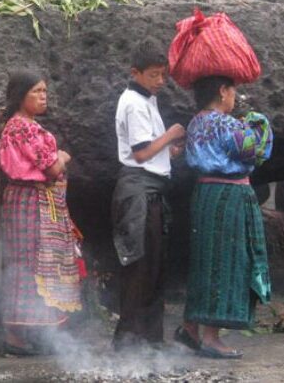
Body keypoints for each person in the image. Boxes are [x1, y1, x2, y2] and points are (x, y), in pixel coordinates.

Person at [178, 75, 273, 359]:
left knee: (206, 260)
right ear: (222, 91)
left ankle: (191, 328)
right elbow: (256, 150)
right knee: (228, 262)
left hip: (205, 195)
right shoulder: (225, 124)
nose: (235, 98)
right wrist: (258, 122)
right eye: (234, 91)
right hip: (229, 197)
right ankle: (211, 336)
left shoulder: (195, 122)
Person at [0, 70, 81, 355]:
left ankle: (26, 333)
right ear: (21, 95)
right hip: (30, 201)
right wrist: (64, 156)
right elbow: (52, 168)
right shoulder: (23, 127)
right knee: (29, 263)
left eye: (45, 91)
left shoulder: (23, 125)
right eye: (37, 91)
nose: (43, 96)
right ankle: (15, 336)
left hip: (30, 200)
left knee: (29, 263)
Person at [110, 40, 186, 351]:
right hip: (138, 189)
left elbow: (150, 150)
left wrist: (169, 151)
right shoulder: (132, 102)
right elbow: (141, 153)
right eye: (153, 75)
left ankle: (151, 337)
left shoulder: (148, 101)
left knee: (155, 265)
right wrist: (170, 135)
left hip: (152, 189)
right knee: (139, 265)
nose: (160, 81)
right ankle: (128, 339)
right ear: (135, 73)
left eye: (162, 75)